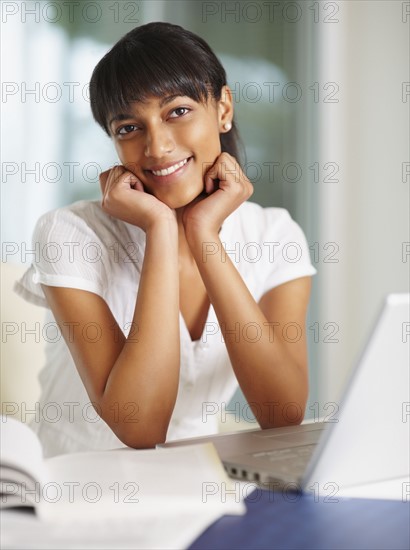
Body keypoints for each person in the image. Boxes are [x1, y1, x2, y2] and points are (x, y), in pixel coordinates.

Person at [15, 22, 316, 457]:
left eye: (177, 111)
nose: (156, 147)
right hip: (74, 497)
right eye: (128, 128)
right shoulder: (70, 233)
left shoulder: (275, 235)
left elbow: (281, 414)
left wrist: (203, 234)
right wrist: (159, 229)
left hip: (204, 490)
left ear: (223, 108)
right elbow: (140, 427)